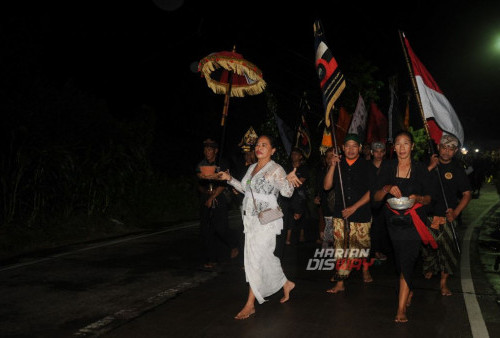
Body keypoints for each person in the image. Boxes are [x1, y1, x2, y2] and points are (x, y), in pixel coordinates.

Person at [217, 135, 302, 320]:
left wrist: (289, 180)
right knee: (264, 258)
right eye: (257, 145)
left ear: (272, 150)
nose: (259, 147)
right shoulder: (251, 168)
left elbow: (286, 193)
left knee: (254, 260)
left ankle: (250, 304)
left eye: (264, 145)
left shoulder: (276, 169)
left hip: (268, 220)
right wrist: (229, 179)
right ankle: (285, 283)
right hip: (251, 220)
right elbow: (246, 190)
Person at [372, 130, 434, 323]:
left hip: (414, 221)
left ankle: (400, 310)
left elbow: (430, 198)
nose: (401, 148)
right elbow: (375, 199)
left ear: (412, 146)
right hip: (393, 222)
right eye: (398, 144)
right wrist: (386, 188)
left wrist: (419, 198)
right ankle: (409, 289)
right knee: (400, 262)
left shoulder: (420, 169)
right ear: (394, 147)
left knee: (407, 261)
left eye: (406, 143)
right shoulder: (388, 167)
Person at [323, 134, 375, 293]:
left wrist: (354, 207)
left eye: (355, 146)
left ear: (359, 148)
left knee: (358, 248)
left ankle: (364, 268)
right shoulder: (337, 165)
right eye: (348, 146)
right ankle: (340, 283)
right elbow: (326, 187)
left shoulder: (367, 166)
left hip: (361, 213)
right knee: (340, 249)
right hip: (340, 213)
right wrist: (332, 165)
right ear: (343, 148)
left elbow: (372, 191)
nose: (351, 149)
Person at [423, 134, 472, 296]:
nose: (446, 151)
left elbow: (467, 194)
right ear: (438, 147)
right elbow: (415, 183)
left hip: (447, 217)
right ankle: (430, 267)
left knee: (448, 251)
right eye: (444, 147)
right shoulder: (428, 166)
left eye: (450, 149)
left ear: (455, 151)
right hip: (427, 216)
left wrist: (456, 212)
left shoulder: (457, 170)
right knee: (428, 249)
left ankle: (443, 282)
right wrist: (430, 167)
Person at [196, 138, 236, 269]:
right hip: (206, 197)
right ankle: (211, 258)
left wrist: (211, 197)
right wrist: (205, 192)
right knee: (206, 229)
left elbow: (223, 185)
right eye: (205, 149)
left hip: (220, 197)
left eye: (210, 149)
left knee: (220, 228)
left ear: (215, 151)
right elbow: (199, 183)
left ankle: (234, 244)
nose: (207, 151)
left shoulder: (221, 164)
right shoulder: (201, 164)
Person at [283, 147, 310, 246]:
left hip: (300, 195)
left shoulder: (304, 168)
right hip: (288, 195)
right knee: (289, 216)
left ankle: (302, 235)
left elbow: (300, 182)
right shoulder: (287, 167)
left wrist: (289, 184)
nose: (293, 155)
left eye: (296, 154)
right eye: (292, 154)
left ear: (300, 156)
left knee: (301, 216)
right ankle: (288, 238)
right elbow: (283, 180)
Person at [370, 141, 390, 261]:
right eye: (376, 151)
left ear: (384, 153)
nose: (378, 154)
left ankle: (378, 250)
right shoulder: (367, 166)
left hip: (384, 202)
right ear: (372, 152)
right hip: (369, 201)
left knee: (381, 227)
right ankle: (372, 252)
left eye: (381, 151)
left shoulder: (388, 166)